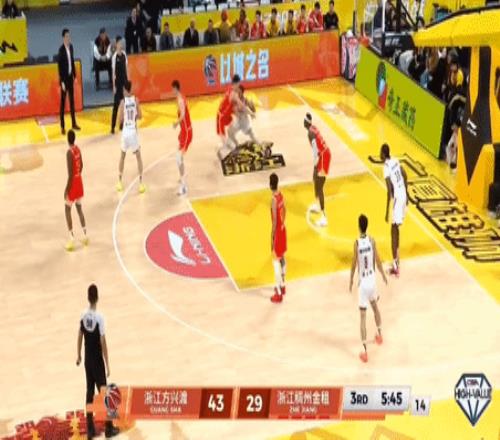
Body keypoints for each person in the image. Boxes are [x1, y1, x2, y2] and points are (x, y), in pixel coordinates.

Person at [76, 284, 119, 439]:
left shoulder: (83, 315)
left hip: (88, 360)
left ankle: (90, 430)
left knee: (89, 392)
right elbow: (103, 342)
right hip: (97, 361)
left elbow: (80, 335)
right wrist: (107, 364)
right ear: (97, 297)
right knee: (105, 393)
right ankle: (109, 428)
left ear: (88, 297)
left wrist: (78, 355)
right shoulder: (99, 318)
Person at [349, 214, 387, 363]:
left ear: (359, 227)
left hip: (363, 283)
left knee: (363, 318)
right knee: (375, 307)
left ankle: (365, 351)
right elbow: (378, 260)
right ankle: (379, 335)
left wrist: (351, 279)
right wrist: (383, 274)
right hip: (372, 280)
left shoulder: (357, 243)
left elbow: (354, 263)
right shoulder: (372, 240)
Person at [380, 143, 408, 277]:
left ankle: (396, 267)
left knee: (393, 231)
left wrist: (387, 211)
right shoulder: (395, 160)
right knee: (396, 229)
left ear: (383, 154)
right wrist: (407, 193)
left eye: (380, 153)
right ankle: (397, 261)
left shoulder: (385, 168)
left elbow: (389, 190)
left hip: (397, 198)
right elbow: (405, 174)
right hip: (403, 194)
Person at [116, 80, 145, 194]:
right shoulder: (136, 100)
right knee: (138, 157)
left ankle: (119, 182)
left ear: (125, 90)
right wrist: (134, 117)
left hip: (125, 132)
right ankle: (141, 184)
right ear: (131, 89)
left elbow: (120, 120)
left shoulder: (122, 103)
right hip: (133, 132)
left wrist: (124, 119)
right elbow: (140, 116)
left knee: (122, 156)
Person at [304, 113, 331, 227]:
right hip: (322, 155)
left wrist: (315, 164)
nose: (303, 123)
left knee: (319, 187)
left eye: (304, 121)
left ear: (306, 123)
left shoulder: (310, 133)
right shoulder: (313, 128)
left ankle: (324, 217)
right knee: (315, 179)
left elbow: (316, 150)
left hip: (323, 157)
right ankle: (317, 205)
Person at [64, 129, 87, 252]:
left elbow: (70, 174)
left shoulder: (69, 153)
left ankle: (71, 238)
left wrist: (66, 189)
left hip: (73, 183)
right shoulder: (78, 149)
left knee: (67, 209)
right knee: (79, 208)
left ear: (68, 139)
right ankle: (85, 235)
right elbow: (81, 165)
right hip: (79, 180)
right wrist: (78, 175)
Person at [172, 80, 193, 196]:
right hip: (184, 131)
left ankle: (183, 186)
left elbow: (183, 115)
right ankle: (183, 176)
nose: (172, 91)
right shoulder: (180, 98)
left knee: (178, 158)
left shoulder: (180, 100)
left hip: (187, 133)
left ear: (176, 88)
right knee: (179, 156)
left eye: (172, 89)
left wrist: (176, 123)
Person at [58, 29, 80, 135]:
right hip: (64, 80)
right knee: (63, 103)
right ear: (63, 38)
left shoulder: (71, 47)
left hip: (70, 77)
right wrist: (62, 82)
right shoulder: (61, 50)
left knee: (72, 101)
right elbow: (60, 67)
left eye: (69, 36)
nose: (68, 38)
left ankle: (73, 123)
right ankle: (62, 126)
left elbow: (72, 61)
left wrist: (75, 76)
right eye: (66, 36)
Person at [224, 85, 258, 153]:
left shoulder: (245, 99)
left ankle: (259, 145)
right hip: (237, 120)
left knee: (251, 134)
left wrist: (252, 111)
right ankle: (237, 146)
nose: (236, 93)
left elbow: (249, 108)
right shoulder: (234, 99)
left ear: (242, 92)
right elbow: (232, 108)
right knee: (230, 132)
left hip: (244, 120)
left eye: (238, 91)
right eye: (236, 91)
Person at [270, 173, 287, 304]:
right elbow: (285, 210)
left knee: (275, 261)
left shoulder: (273, 200)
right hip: (283, 229)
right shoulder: (281, 196)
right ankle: (283, 285)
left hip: (277, 232)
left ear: (270, 185)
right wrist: (283, 223)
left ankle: (278, 293)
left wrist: (272, 236)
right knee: (282, 258)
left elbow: (274, 220)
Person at [216, 74, 243, 157]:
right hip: (221, 117)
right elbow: (240, 105)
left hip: (227, 116)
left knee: (233, 127)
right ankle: (223, 152)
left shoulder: (230, 89)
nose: (239, 85)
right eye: (239, 84)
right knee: (223, 137)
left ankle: (230, 143)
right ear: (236, 83)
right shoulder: (233, 93)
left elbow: (233, 105)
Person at [111, 36, 128, 134]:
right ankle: (112, 126)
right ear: (116, 44)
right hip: (118, 84)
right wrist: (114, 86)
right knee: (116, 105)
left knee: (124, 105)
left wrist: (128, 82)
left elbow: (126, 69)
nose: (121, 45)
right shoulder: (114, 57)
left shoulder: (124, 55)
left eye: (122, 43)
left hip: (124, 84)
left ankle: (122, 124)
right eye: (120, 43)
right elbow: (113, 73)